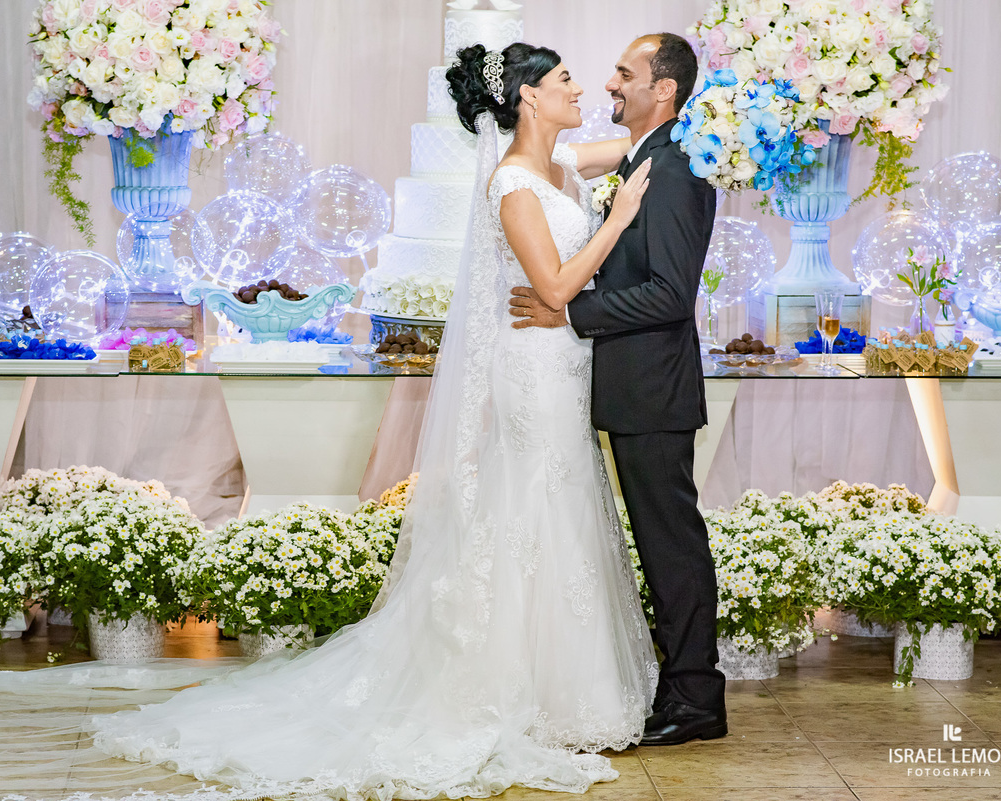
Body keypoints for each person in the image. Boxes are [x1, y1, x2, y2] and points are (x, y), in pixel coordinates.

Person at [86, 42, 660, 798]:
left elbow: (642, 138)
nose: (579, 87)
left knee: (563, 504)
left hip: (565, 365)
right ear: (526, 99)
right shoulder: (514, 183)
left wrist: (691, 118)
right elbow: (551, 287)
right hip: (532, 369)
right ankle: (513, 686)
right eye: (562, 81)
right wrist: (617, 219)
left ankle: (564, 684)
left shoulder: (564, 166)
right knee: (531, 504)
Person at [509, 33, 727, 746]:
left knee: (671, 544)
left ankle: (696, 698)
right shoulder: (644, 162)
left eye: (625, 74)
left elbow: (669, 294)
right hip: (632, 388)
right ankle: (680, 687)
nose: (610, 84)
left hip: (654, 390)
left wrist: (569, 309)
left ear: (663, 90)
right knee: (661, 542)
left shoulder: (674, 170)